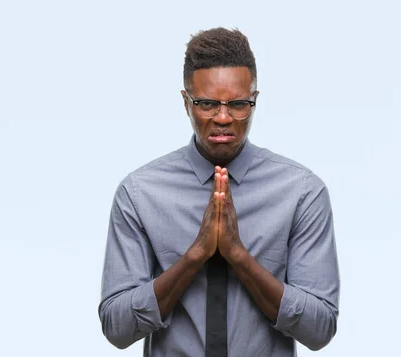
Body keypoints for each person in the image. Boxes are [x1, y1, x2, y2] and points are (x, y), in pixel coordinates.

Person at [98, 27, 340, 357]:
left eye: (239, 104)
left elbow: (320, 330)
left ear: (254, 100)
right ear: (186, 103)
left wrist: (238, 255)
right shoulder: (140, 194)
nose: (223, 117)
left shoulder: (301, 193)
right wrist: (195, 255)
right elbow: (117, 328)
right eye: (207, 103)